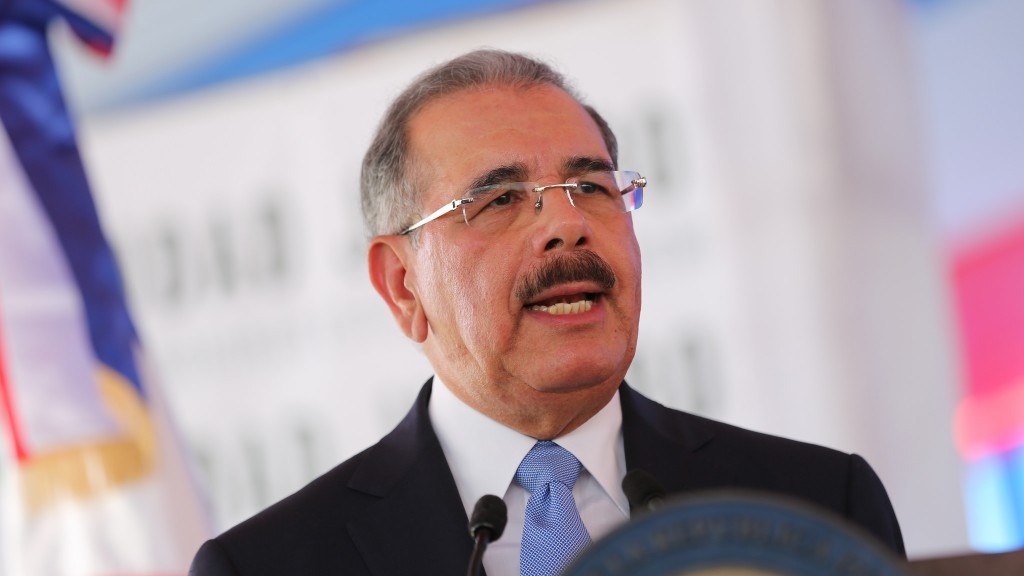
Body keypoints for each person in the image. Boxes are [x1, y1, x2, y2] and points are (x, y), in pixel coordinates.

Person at [189, 49, 904, 576]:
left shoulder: (814, 504)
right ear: (402, 285)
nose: (568, 225)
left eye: (591, 188)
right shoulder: (270, 566)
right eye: (500, 200)